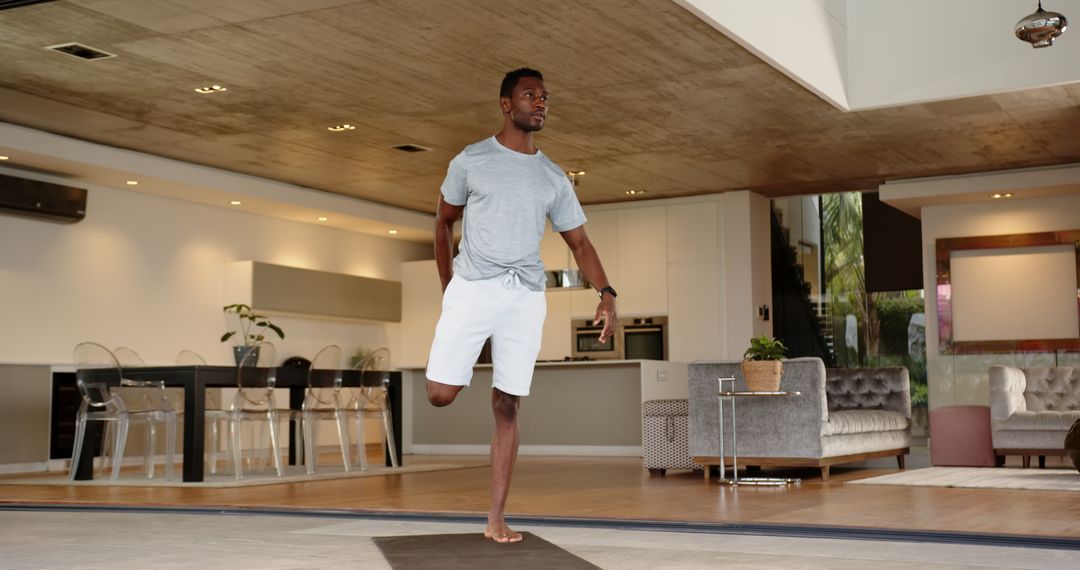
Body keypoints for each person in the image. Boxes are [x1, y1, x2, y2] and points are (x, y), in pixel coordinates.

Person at [425, 68, 617, 544]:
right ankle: (468, 361)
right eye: (530, 95)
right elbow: (443, 221)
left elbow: (580, 243)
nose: (540, 103)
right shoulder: (471, 160)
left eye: (545, 96)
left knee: (508, 404)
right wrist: (449, 285)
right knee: (439, 394)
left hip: (525, 295)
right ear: (506, 104)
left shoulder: (553, 176)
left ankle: (495, 518)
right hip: (473, 288)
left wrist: (607, 293)